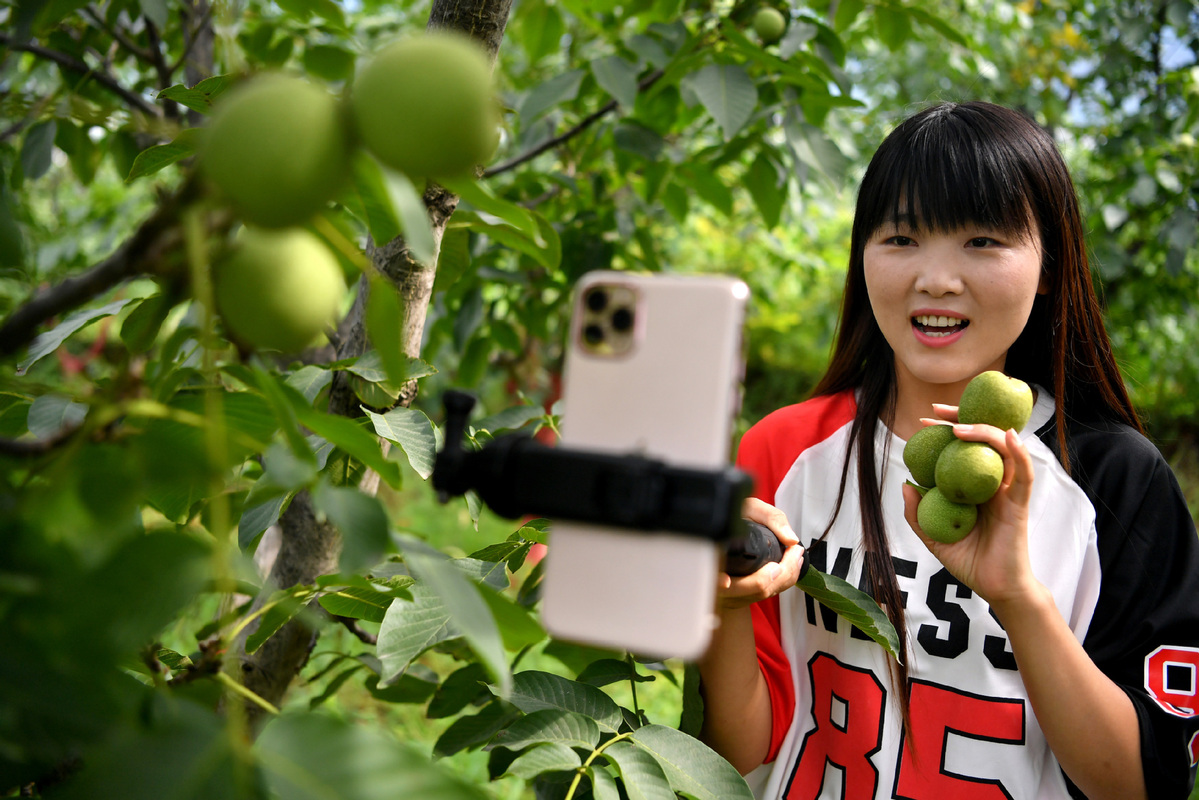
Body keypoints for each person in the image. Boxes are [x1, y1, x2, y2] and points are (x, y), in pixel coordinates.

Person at [697, 101, 1199, 799]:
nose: (934, 278)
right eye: (900, 238)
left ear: (1049, 264)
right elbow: (742, 751)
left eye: (982, 241)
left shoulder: (1116, 482)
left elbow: (1140, 785)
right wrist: (721, 605)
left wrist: (1017, 598)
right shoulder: (787, 446)